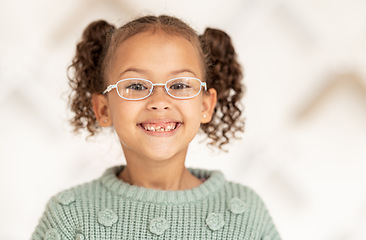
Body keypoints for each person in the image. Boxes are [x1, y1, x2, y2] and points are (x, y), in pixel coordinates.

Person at [32, 15, 281, 239]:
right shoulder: (69, 216)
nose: (160, 102)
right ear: (103, 109)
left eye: (180, 85)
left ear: (206, 105)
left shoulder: (246, 213)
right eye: (137, 86)